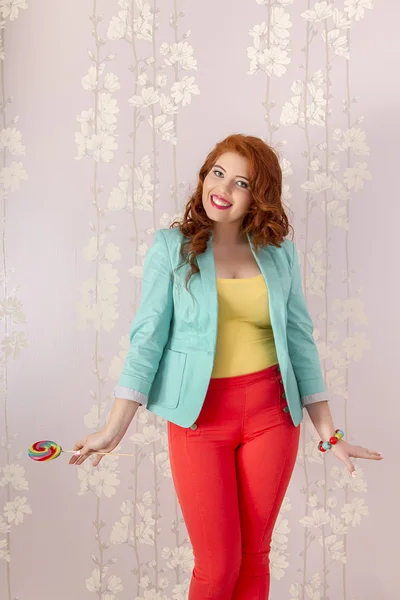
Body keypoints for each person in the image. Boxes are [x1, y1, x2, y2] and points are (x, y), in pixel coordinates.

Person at [70, 134, 383, 600]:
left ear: (259, 197)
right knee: (218, 567)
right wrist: (114, 430)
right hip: (199, 419)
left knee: (254, 558)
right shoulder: (171, 248)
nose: (224, 189)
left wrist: (329, 432)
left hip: (272, 416)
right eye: (218, 173)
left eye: (242, 182)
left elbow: (300, 342)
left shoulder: (280, 253)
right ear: (204, 174)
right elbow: (146, 341)